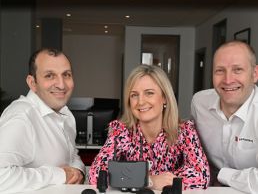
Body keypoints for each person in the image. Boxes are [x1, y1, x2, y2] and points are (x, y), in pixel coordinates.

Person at [89, 64, 210, 190]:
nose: (140, 102)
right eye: (134, 95)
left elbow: (202, 175)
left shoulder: (184, 131)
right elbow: (96, 174)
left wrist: (127, 177)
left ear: (164, 98)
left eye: (149, 93)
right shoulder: (120, 131)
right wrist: (149, 180)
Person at [0, 48, 85, 193]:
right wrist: (59, 175)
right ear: (32, 83)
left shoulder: (66, 114)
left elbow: (72, 155)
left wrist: (78, 171)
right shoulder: (21, 117)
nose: (61, 84)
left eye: (66, 75)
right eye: (49, 75)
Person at [191, 40, 258, 193]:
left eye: (238, 70)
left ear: (254, 74)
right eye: (220, 71)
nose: (228, 80)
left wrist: (220, 175)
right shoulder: (199, 102)